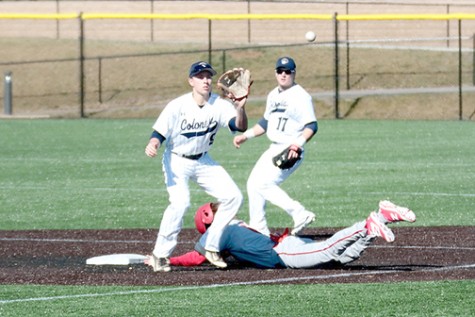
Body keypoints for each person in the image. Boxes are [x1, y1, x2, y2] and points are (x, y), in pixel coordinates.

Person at [144, 61, 249, 272]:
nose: (206, 80)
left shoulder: (219, 105)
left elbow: (239, 126)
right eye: (200, 76)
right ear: (191, 81)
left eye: (208, 76)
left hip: (203, 160)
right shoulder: (177, 105)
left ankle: (209, 245)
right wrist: (153, 143)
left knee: (234, 197)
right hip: (176, 159)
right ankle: (160, 255)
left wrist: (240, 107)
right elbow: (159, 133)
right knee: (181, 203)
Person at [145, 200, 416, 270]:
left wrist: (168, 260)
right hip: (285, 243)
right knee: (341, 259)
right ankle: (381, 219)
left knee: (330, 251)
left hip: (283, 253)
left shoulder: (218, 232)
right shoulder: (236, 224)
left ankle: (366, 225)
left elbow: (196, 257)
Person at [233, 56, 318, 236]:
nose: (284, 74)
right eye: (280, 71)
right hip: (274, 147)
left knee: (264, 184)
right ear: (275, 73)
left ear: (294, 74)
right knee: (252, 183)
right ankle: (258, 226)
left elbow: (312, 126)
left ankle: (300, 213)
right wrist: (245, 136)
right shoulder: (273, 95)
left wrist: (297, 145)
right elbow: (265, 123)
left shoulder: (301, 96)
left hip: (291, 148)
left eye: (288, 71)